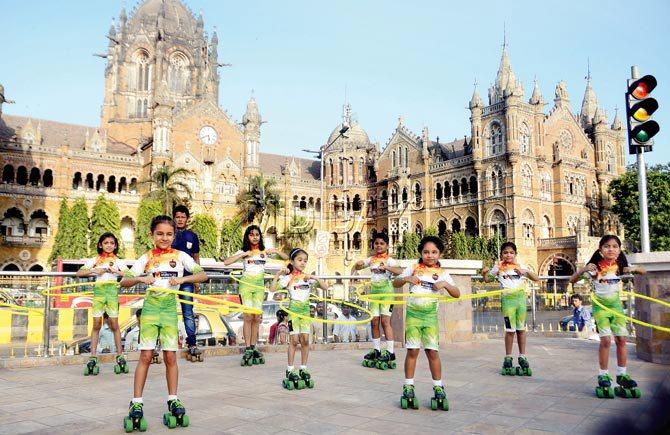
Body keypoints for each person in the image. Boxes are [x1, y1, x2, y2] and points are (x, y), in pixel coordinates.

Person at [120, 215, 207, 430]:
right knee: (146, 356)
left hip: (169, 310)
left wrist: (183, 279)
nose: (164, 238)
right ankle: (136, 403)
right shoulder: (146, 257)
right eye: (160, 233)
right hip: (150, 310)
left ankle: (173, 398)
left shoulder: (181, 256)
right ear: (152, 235)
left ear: (174, 235)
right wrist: (141, 278)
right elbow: (124, 282)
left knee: (170, 356)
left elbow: (203, 275)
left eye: (169, 234)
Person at [570, 235, 645, 399]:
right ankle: (603, 375)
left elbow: (643, 271)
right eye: (606, 246)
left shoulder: (620, 266)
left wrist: (631, 269)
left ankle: (622, 375)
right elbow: (572, 279)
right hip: (601, 308)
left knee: (621, 340)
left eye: (614, 246)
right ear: (600, 250)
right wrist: (583, 269)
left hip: (616, 307)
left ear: (619, 250)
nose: (611, 249)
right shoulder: (595, 269)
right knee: (605, 340)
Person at [393, 236, 460, 410]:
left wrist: (444, 284)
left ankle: (438, 387)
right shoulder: (414, 268)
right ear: (421, 253)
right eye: (426, 252)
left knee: (432, 352)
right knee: (413, 351)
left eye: (434, 252)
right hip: (413, 316)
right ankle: (408, 386)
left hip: (430, 317)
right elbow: (395, 282)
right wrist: (407, 279)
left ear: (440, 254)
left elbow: (457, 293)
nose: (430, 255)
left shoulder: (443, 273)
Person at [224, 225, 288, 365]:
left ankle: (253, 346)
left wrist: (275, 250)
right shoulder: (244, 251)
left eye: (257, 234)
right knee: (247, 317)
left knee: (256, 318)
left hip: (259, 287)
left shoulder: (264, 252)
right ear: (247, 236)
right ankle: (247, 348)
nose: (254, 237)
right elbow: (226, 262)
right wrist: (242, 255)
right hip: (246, 286)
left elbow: (286, 258)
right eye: (251, 234)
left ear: (260, 236)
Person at [271, 248, 328, 390]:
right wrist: (278, 274)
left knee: (305, 340)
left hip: (305, 313)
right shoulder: (288, 278)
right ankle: (290, 369)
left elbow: (325, 287)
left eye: (305, 260)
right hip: (294, 313)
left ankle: (303, 368)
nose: (303, 263)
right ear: (292, 261)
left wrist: (314, 278)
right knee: (294, 341)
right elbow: (272, 289)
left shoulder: (307, 278)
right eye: (299, 260)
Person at [481, 242, 540, 376]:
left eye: (511, 252)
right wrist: (484, 273)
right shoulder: (498, 266)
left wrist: (525, 272)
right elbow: (487, 280)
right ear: (502, 254)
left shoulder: (522, 266)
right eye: (505, 252)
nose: (508, 255)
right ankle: (508, 357)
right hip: (507, 302)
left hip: (521, 301)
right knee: (510, 330)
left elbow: (536, 279)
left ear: (515, 254)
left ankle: (522, 356)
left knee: (521, 329)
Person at [76, 232, 127, 375]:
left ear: (115, 245)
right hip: (99, 293)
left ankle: (120, 355)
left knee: (114, 324)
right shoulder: (95, 259)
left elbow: (130, 274)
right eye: (106, 243)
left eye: (112, 243)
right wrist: (94, 270)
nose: (109, 245)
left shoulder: (118, 260)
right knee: (97, 324)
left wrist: (115, 271)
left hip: (112, 293)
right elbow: (79, 273)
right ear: (100, 245)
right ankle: (93, 357)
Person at [351, 233, 403, 368]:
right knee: (374, 322)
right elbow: (358, 266)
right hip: (374, 294)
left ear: (386, 245)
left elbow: (400, 271)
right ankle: (376, 349)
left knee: (386, 322)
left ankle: (390, 352)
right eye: (376, 243)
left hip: (387, 294)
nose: (379, 245)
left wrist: (386, 267)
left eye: (382, 243)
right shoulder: (371, 259)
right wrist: (358, 264)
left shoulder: (390, 260)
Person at [172, 205, 201, 360]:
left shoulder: (192, 236)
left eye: (183, 217)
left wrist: (197, 280)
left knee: (188, 313)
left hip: (187, 279)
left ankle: (192, 344)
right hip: (169, 279)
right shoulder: (169, 234)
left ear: (187, 219)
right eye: (177, 217)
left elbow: (196, 258)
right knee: (166, 310)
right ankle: (162, 343)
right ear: (174, 218)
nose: (180, 220)